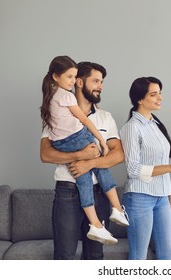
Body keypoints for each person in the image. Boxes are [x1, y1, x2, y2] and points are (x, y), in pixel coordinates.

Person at [40, 60, 124, 259]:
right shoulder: (57, 113)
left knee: (95, 256)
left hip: (99, 194)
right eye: (95, 81)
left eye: (101, 82)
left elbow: (118, 154)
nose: (100, 87)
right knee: (65, 256)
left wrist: (90, 163)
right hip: (67, 193)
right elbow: (45, 154)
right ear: (79, 82)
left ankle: (114, 210)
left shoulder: (105, 117)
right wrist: (79, 155)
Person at [120, 76, 171, 260]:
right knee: (139, 257)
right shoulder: (131, 128)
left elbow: (162, 162)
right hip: (140, 198)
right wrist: (170, 169)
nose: (159, 98)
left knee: (167, 254)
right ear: (140, 99)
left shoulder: (156, 125)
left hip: (162, 197)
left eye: (160, 93)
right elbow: (133, 169)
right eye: (153, 94)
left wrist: (169, 198)